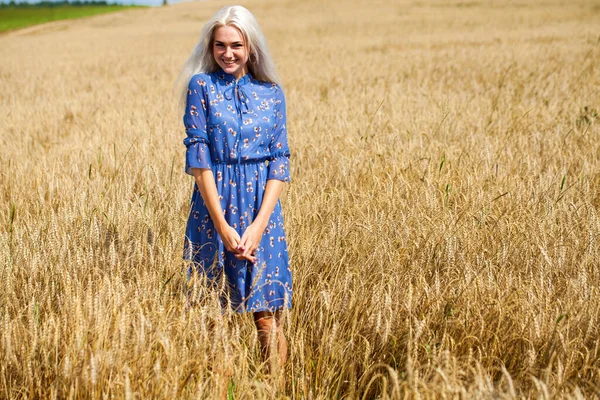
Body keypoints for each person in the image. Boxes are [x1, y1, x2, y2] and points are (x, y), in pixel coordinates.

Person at [177, 5, 292, 372]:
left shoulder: (272, 93)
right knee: (214, 318)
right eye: (220, 46)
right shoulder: (202, 87)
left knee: (266, 317)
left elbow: (279, 162)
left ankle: (274, 393)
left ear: (251, 47)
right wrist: (223, 226)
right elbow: (199, 160)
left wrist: (258, 226)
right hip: (214, 208)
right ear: (210, 49)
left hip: (263, 211)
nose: (227, 53)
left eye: (236, 45)